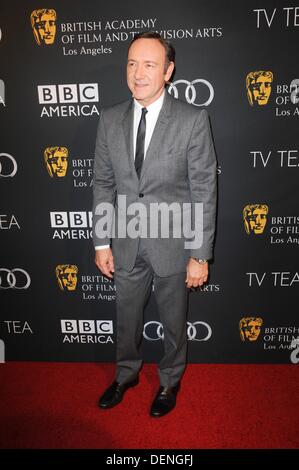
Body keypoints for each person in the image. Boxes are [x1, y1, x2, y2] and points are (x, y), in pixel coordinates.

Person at [92, 32, 217, 417]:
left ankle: (169, 381)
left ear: (168, 71)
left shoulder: (192, 119)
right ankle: (126, 374)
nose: (138, 73)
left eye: (149, 64)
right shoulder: (110, 119)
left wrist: (199, 254)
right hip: (127, 242)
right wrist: (101, 242)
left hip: (174, 246)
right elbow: (103, 183)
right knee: (126, 319)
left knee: (174, 324)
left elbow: (204, 188)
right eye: (132, 63)